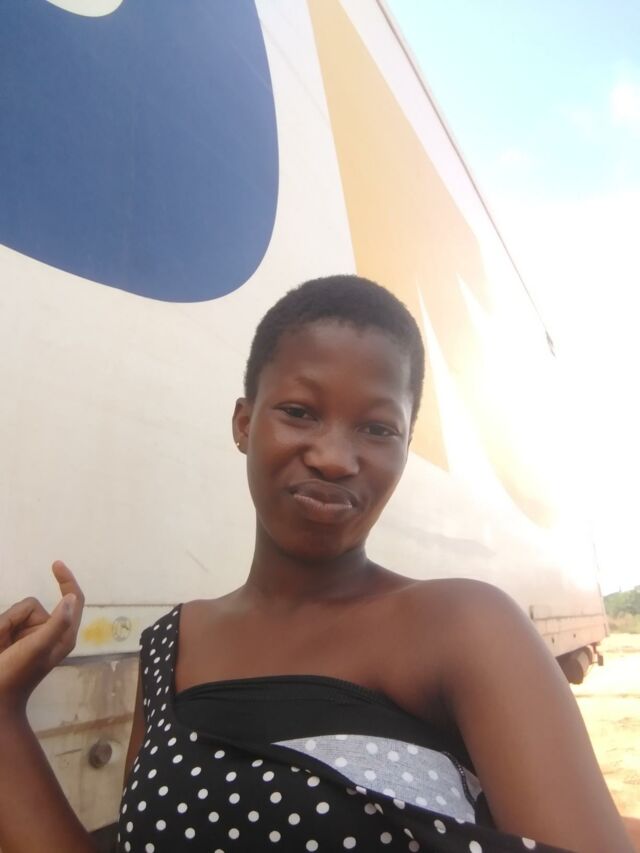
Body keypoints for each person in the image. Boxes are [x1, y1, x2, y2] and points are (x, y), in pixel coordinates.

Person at [0, 275, 632, 853]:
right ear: (243, 423)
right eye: (300, 412)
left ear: (405, 448)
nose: (334, 458)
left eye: (377, 429)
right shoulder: (172, 645)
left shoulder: (464, 626)